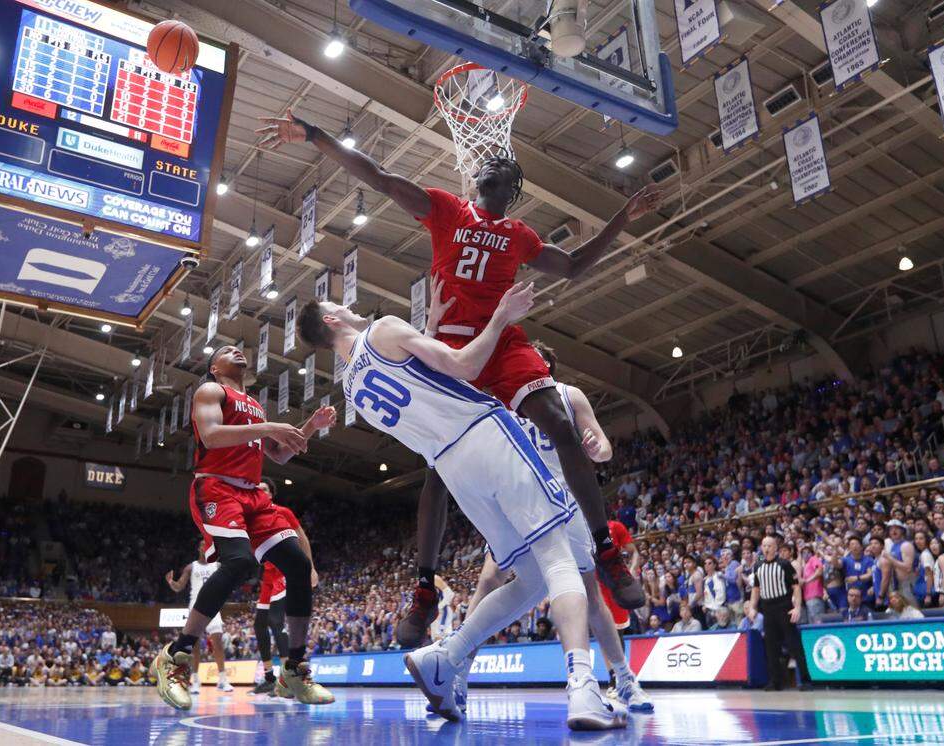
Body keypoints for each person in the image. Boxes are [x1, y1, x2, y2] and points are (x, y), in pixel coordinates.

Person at [260, 110, 662, 647]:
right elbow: (377, 176)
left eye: (508, 171)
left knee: (558, 422)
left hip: (503, 342)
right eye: (491, 166)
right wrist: (316, 134)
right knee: (438, 467)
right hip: (453, 343)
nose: (498, 170)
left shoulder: (519, 236)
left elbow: (574, 266)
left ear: (511, 192)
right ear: (476, 181)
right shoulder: (447, 210)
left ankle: (604, 550)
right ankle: (425, 588)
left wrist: (623, 218)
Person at [298, 284, 627, 730]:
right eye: (338, 304)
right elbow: (462, 365)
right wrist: (501, 316)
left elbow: (420, 383)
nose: (347, 303)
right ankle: (584, 689)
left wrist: (431, 326)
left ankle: (446, 655)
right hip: (485, 433)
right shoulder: (384, 328)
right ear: (332, 321)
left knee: (530, 580)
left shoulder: (352, 389)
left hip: (453, 470)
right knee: (558, 556)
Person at [438, 339, 651, 715]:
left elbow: (603, 446)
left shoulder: (568, 396)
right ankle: (457, 673)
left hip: (566, 502)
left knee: (590, 595)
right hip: (518, 502)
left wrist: (596, 447)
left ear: (546, 367)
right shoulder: (501, 400)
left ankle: (624, 678)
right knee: (488, 581)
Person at [150, 345, 338, 711]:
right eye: (226, 350)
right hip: (217, 486)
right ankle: (175, 656)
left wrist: (309, 428)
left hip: (251, 495)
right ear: (214, 366)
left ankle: (294, 670)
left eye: (239, 349)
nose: (237, 350)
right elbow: (210, 436)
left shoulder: (254, 404)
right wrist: (269, 426)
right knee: (238, 563)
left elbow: (280, 453)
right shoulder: (211, 391)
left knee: (298, 566)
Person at [252, 482, 318, 698]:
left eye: (265, 489)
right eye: (257, 489)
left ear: (271, 494)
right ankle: (269, 677)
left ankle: (287, 675)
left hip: (282, 572)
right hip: (267, 576)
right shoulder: (251, 514)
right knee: (259, 624)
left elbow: (302, 538)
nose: (260, 492)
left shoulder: (282, 512)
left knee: (276, 622)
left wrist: (311, 568)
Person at [164, 538, 234, 693]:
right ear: (199, 548)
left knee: (218, 642)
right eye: (202, 544)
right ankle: (195, 680)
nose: (204, 546)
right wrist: (171, 583)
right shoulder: (191, 567)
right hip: (196, 606)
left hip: (213, 605)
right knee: (194, 646)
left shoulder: (218, 565)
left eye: (207, 544)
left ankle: (222, 679)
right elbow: (179, 587)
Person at [751, 535, 812, 691]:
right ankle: (775, 681)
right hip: (767, 609)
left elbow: (796, 587)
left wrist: (797, 607)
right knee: (771, 648)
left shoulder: (784, 564)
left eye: (769, 545)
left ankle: (806, 681)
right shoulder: (758, 566)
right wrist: (752, 607)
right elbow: (756, 589)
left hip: (784, 606)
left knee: (794, 645)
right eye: (764, 545)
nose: (766, 548)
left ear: (775, 548)